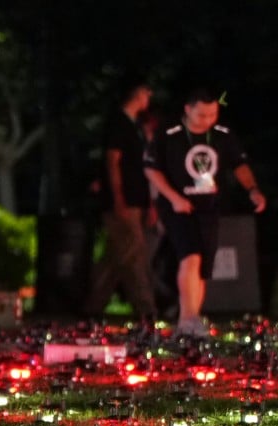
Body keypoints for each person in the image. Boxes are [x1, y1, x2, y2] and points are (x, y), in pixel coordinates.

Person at [144, 87, 265, 337]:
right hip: (178, 206)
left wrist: (252, 189)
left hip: (209, 207)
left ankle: (192, 318)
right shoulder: (170, 134)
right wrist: (174, 198)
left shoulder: (222, 135)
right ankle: (187, 317)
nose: (207, 120)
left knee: (202, 265)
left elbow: (239, 165)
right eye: (201, 115)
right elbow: (151, 169)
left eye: (213, 114)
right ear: (188, 110)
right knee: (190, 257)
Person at [83, 81, 157, 319]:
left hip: (136, 199)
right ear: (137, 94)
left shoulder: (133, 126)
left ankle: (93, 306)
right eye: (146, 92)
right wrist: (119, 198)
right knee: (135, 253)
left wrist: (148, 202)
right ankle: (146, 310)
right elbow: (113, 162)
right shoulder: (119, 124)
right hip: (124, 201)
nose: (149, 97)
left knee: (117, 255)